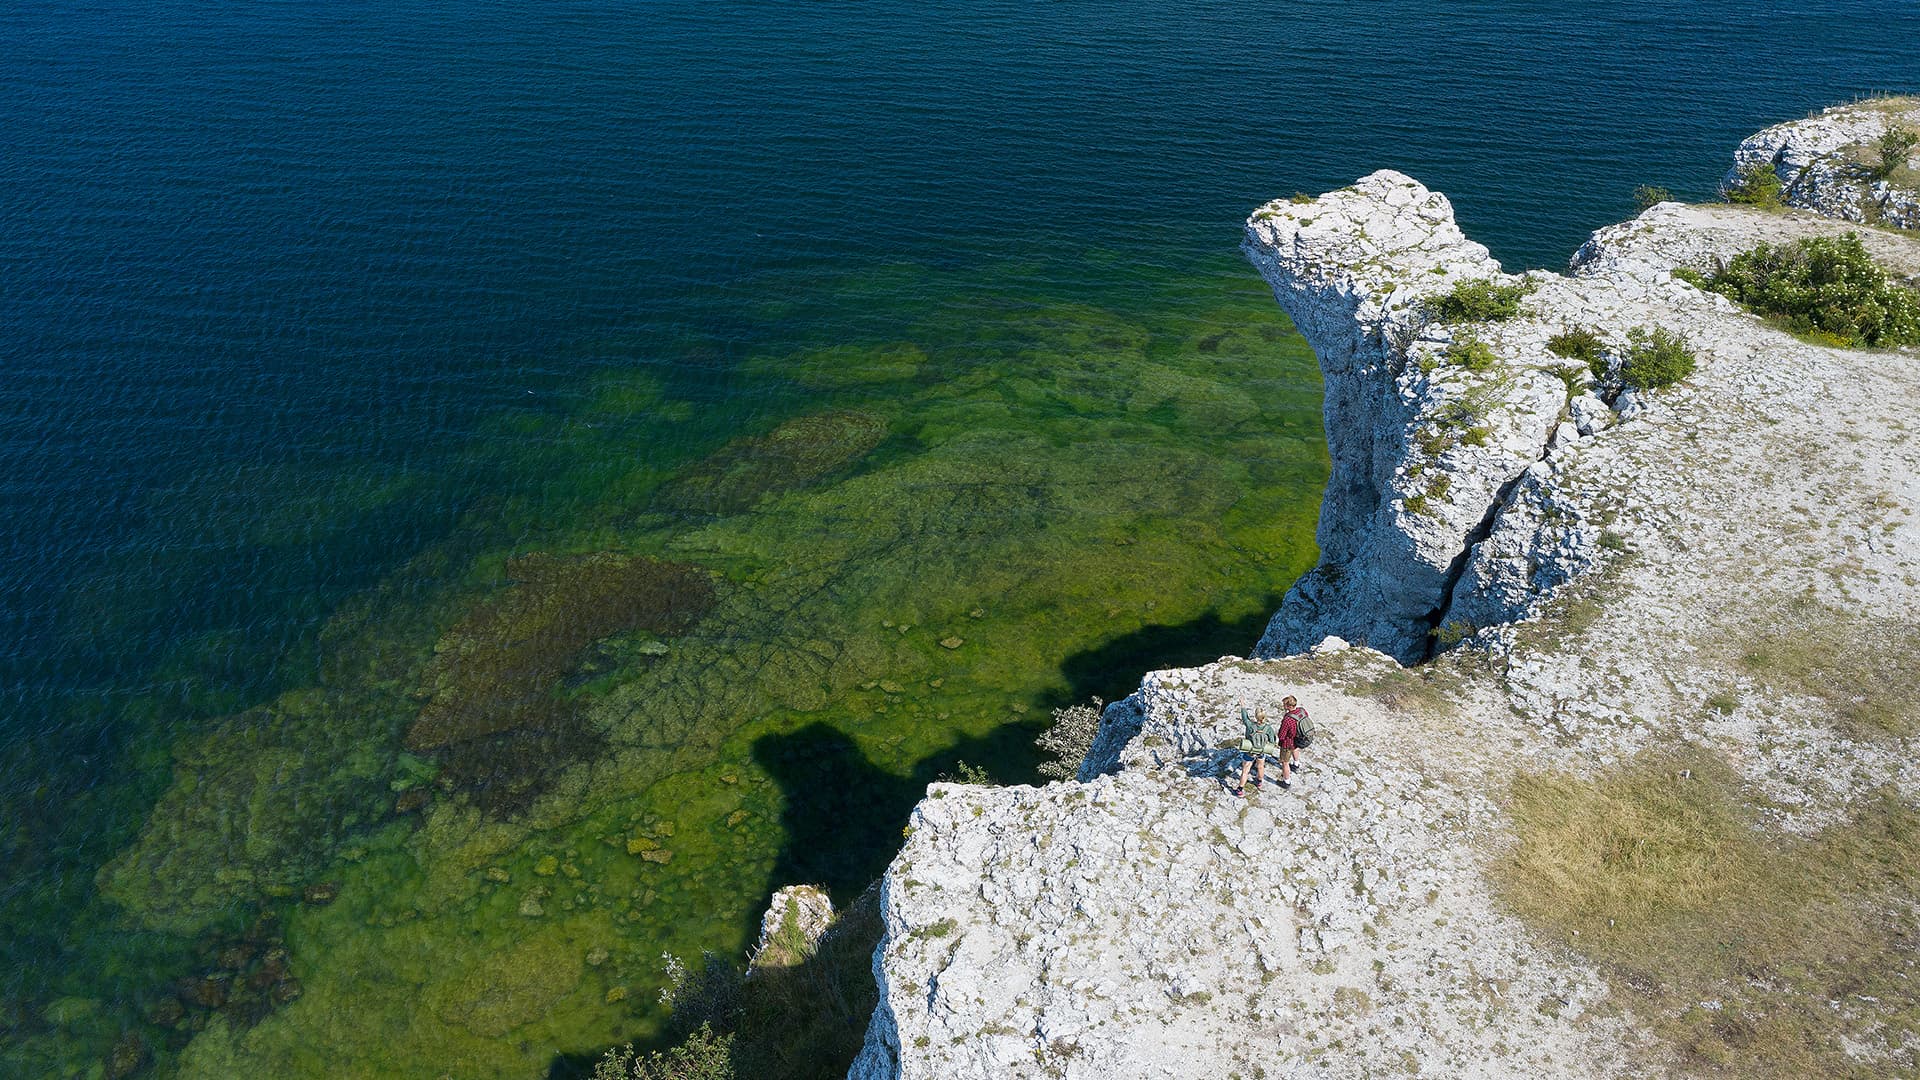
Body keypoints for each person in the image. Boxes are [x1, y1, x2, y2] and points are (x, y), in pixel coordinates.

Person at [1233, 704, 1296, 796]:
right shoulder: (1268, 728)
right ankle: (1259, 782)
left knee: (1245, 770)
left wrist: (1243, 706)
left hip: (1250, 750)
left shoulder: (1250, 725)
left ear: (1255, 716)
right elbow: (1272, 740)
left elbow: (1245, 718)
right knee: (1261, 766)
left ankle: (1240, 789)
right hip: (1261, 751)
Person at [1282, 695, 1311, 772]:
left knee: (1285, 762)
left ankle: (1286, 781)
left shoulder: (1288, 719)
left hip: (1290, 740)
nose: (1283, 706)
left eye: (1284, 704)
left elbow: (1282, 734)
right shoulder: (1302, 710)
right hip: (1301, 737)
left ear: (1289, 706)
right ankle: (1296, 763)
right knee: (1295, 748)